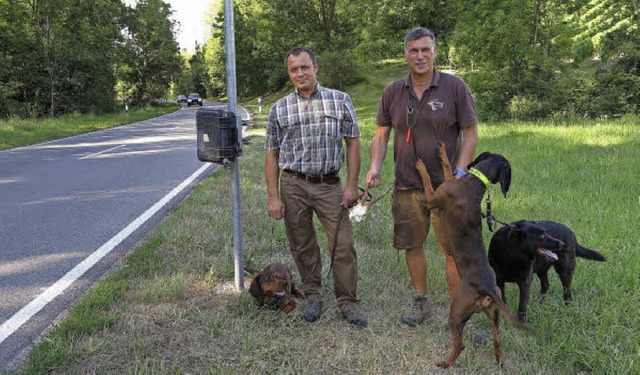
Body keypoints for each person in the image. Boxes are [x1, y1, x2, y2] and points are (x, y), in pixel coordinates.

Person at [365, 27, 479, 327]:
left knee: (452, 249)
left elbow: (470, 133)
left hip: (447, 187)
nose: (419, 56)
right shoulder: (392, 91)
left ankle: (458, 310)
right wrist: (375, 166)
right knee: (412, 244)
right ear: (405, 54)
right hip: (406, 183)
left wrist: (461, 171)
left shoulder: (455, 87)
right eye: (413, 50)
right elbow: (380, 135)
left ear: (435, 52)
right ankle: (421, 301)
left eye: (425, 50)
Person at [265, 47, 367, 328]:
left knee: (342, 245)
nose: (300, 73)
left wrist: (351, 185)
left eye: (304, 67)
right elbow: (271, 153)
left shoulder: (340, 100)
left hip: (330, 185)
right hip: (293, 185)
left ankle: (347, 302)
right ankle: (313, 296)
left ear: (315, 67)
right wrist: (274, 196)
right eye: (294, 70)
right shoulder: (279, 108)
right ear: (289, 73)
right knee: (302, 245)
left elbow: (353, 143)